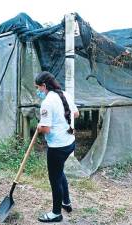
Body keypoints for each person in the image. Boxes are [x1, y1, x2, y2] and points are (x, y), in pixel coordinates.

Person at [35, 71, 79, 223]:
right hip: (70, 142)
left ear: (44, 86)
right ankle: (66, 202)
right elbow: (76, 113)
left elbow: (46, 129)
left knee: (54, 179)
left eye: (38, 87)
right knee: (59, 172)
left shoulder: (47, 102)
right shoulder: (65, 94)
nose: (38, 91)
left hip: (57, 147)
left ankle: (56, 213)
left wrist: (39, 127)